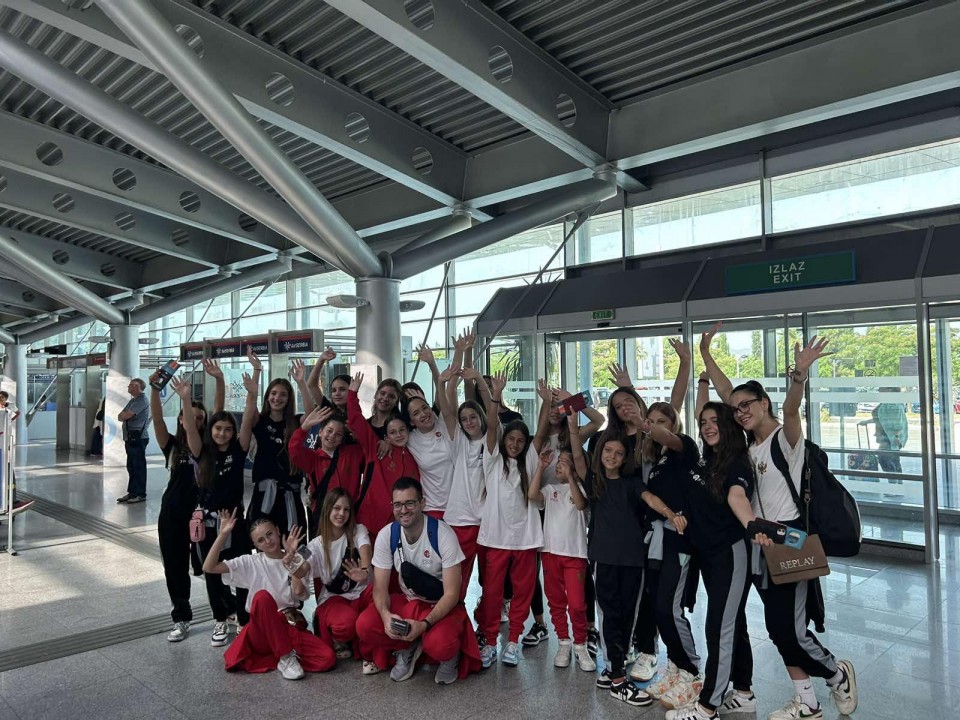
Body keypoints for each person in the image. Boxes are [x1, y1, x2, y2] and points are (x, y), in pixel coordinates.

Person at [701, 325, 859, 720]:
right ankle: (807, 702)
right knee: (778, 628)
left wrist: (799, 376)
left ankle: (836, 673)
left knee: (792, 629)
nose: (741, 411)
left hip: (789, 539)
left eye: (748, 404)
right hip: (760, 543)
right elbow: (726, 392)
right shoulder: (748, 445)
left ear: (764, 402)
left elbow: (791, 411)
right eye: (736, 409)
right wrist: (706, 354)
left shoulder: (785, 441)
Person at [663, 402, 757, 720]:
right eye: (703, 422)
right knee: (733, 624)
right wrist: (700, 377)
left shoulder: (737, 464)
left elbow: (736, 496)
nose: (707, 426)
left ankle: (707, 707)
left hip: (730, 554)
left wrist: (753, 525)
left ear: (728, 425)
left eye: (715, 421)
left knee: (719, 629)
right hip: (707, 555)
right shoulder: (707, 460)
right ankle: (743, 693)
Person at [355, 478, 481, 683]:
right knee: (365, 625)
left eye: (410, 503)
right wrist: (386, 616)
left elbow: (452, 594)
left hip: (441, 607)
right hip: (409, 602)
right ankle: (407, 647)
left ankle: (451, 657)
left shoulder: (443, 534)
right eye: (398, 504)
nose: (403, 510)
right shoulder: (388, 535)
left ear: (422, 503)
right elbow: (380, 588)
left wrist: (424, 624)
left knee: (440, 644)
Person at [174, 371, 257, 647]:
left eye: (227, 429)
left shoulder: (239, 450)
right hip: (209, 524)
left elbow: (248, 419)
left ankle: (243, 619)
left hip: (235, 521)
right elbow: (189, 428)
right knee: (212, 573)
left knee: (241, 569)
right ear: (210, 430)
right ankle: (220, 617)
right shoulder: (202, 451)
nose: (222, 433)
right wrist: (185, 399)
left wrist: (252, 392)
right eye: (217, 428)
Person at [202, 513, 335, 678]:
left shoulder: (297, 557)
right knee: (262, 597)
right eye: (261, 540)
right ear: (255, 544)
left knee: (327, 658)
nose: (268, 541)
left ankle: (280, 655)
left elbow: (299, 594)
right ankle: (285, 656)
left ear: (277, 531)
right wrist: (223, 535)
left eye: (269, 534)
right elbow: (209, 567)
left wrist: (292, 563)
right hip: (261, 632)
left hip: (288, 626)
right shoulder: (251, 562)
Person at [576, 428, 651, 706]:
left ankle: (611, 670)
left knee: (628, 615)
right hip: (603, 558)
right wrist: (572, 424)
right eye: (608, 450)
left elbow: (649, 499)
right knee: (610, 615)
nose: (612, 456)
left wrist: (670, 513)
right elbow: (577, 454)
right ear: (599, 453)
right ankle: (618, 679)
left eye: (619, 453)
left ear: (625, 458)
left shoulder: (632, 482)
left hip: (632, 559)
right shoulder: (594, 481)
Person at [475, 375, 544, 668]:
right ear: (504, 441)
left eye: (520, 440)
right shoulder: (493, 460)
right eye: (510, 439)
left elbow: (541, 431)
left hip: (525, 539)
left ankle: (513, 641)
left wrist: (547, 402)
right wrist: (495, 397)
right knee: (492, 594)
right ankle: (491, 642)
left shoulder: (529, 460)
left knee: (522, 592)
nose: (514, 444)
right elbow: (492, 426)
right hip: (495, 539)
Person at [529, 413, 594, 672]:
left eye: (566, 463)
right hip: (550, 553)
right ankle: (564, 642)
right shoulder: (550, 490)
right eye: (559, 462)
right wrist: (541, 467)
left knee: (577, 603)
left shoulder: (581, 489)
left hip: (575, 555)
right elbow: (532, 495)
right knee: (555, 601)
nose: (561, 466)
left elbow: (579, 504)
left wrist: (571, 477)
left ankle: (581, 643)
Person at [149, 372, 207, 641]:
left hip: (200, 514)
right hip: (172, 513)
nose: (195, 421)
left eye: (200, 418)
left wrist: (186, 399)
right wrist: (154, 389)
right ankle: (181, 616)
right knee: (175, 567)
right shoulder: (171, 446)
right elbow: (157, 419)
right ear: (181, 419)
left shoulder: (206, 447)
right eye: (190, 416)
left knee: (209, 564)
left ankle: (226, 610)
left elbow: (194, 434)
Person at [296, 488, 372, 659]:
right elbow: (301, 566)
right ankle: (334, 632)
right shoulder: (314, 544)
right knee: (347, 622)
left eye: (346, 509)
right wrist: (292, 562)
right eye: (337, 508)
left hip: (360, 593)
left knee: (379, 598)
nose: (341, 514)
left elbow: (365, 548)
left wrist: (365, 570)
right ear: (328, 509)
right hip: (334, 598)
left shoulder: (358, 529)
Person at [347, 373, 420, 539]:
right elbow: (356, 419)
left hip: (401, 521)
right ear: (386, 435)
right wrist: (352, 394)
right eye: (393, 432)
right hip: (370, 518)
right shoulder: (375, 446)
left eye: (402, 430)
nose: (398, 435)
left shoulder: (415, 452)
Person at [245, 351, 307, 535]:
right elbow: (250, 407)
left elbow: (312, 413)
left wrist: (301, 383)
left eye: (283, 395)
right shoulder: (260, 421)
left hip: (290, 496)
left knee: (294, 543)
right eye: (273, 393)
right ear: (267, 396)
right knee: (264, 543)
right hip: (264, 495)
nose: (277, 398)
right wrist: (257, 371)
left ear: (289, 399)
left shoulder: (295, 422)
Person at [288, 406, 365, 536]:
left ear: (342, 438)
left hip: (349, 514)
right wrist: (305, 427)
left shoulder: (353, 453)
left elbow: (371, 450)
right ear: (320, 432)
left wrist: (360, 437)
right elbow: (294, 450)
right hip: (323, 516)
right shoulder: (313, 458)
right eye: (329, 431)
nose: (332, 436)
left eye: (338, 434)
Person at [116, 378, 150, 504]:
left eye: (131, 385)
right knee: (131, 466)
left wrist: (125, 415)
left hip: (138, 438)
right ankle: (132, 492)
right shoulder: (133, 400)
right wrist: (124, 415)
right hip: (130, 438)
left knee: (138, 466)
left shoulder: (141, 400)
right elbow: (120, 416)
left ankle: (140, 494)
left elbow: (125, 415)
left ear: (137, 386)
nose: (128, 387)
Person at [873, 389, 907, 478]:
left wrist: (896, 437)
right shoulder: (887, 403)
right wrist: (867, 421)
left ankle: (894, 483)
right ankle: (896, 483)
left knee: (887, 461)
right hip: (886, 437)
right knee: (892, 462)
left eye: (882, 389)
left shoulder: (893, 404)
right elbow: (882, 418)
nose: (879, 390)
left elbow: (898, 423)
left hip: (890, 438)